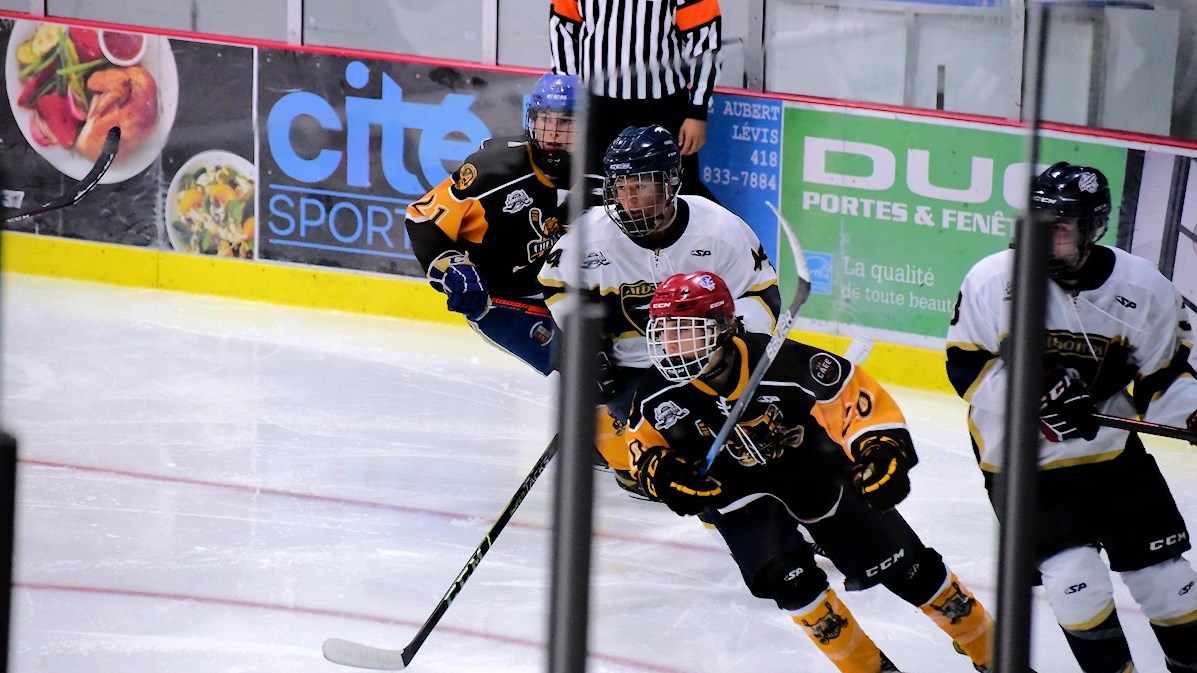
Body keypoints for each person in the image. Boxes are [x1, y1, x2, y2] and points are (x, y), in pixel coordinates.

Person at [624, 270, 999, 673]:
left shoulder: (782, 361)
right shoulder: (656, 395)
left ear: (721, 328)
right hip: (738, 497)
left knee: (910, 569)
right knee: (793, 587)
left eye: (684, 331)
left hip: (817, 472)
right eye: (663, 332)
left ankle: (991, 649)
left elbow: (855, 399)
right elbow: (642, 449)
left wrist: (881, 448)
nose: (671, 345)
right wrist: (664, 475)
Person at [946, 161, 1197, 673]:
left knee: (1170, 583)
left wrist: (1192, 416)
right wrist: (1038, 393)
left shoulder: (1143, 289)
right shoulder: (994, 280)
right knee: (1075, 583)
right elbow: (965, 364)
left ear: (1091, 228)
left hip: (1111, 459)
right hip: (1021, 465)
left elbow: (1164, 376)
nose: (1043, 237)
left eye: (1059, 227)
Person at [538, 124, 780, 481]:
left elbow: (761, 296)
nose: (629, 199)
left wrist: (723, 340)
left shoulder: (719, 229)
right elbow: (556, 285)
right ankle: (619, 437)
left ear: (670, 181)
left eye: (640, 185)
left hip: (704, 360)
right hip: (630, 364)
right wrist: (590, 348)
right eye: (621, 187)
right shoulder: (590, 237)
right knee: (648, 456)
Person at [405, 73, 600, 375]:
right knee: (587, 371)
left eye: (565, 123)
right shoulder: (494, 170)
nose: (552, 133)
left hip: (567, 290)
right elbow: (422, 218)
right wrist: (453, 267)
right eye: (545, 120)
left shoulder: (601, 170)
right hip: (502, 301)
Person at [549, 0, 722, 203]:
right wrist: (570, 98)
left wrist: (697, 111)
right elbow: (562, 27)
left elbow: (704, 42)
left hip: (662, 107)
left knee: (674, 192)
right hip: (596, 109)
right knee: (596, 191)